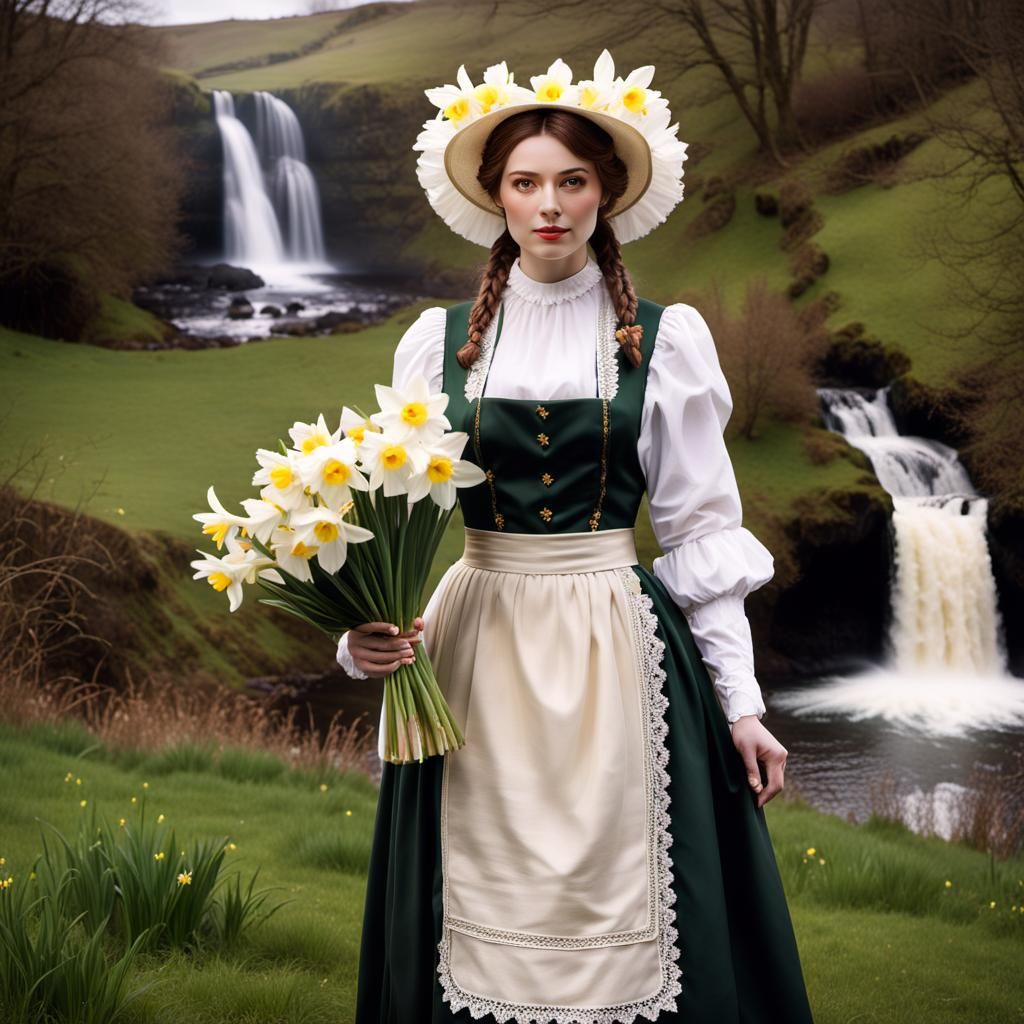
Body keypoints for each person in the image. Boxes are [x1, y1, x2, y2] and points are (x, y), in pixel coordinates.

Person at [336, 51, 815, 1024]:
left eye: (571, 180)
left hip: (618, 644)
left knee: (630, 882)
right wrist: (359, 634)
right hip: (474, 645)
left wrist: (742, 705)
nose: (548, 205)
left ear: (607, 192)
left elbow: (700, 534)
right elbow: (386, 519)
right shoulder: (437, 344)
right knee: (476, 890)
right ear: (496, 196)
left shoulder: (666, 343)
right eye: (525, 183)